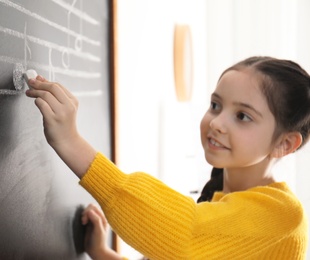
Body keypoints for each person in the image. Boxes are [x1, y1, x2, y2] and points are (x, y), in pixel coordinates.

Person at [25, 56, 310, 259]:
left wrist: (71, 142)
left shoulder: (283, 216)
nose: (217, 122)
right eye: (215, 105)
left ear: (284, 144)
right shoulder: (220, 203)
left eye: (242, 116)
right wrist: (102, 253)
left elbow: (184, 238)